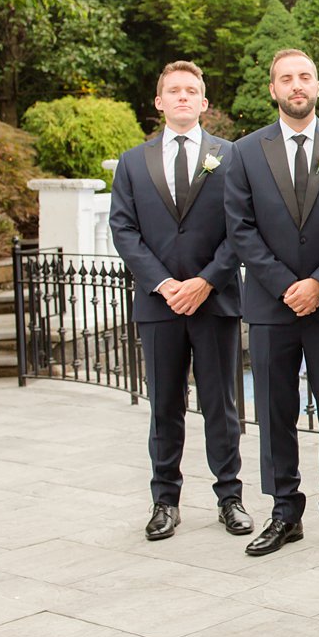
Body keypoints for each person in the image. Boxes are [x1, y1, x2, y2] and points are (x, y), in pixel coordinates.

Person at [223, 48, 319, 557]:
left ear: (318, 85)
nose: (296, 85)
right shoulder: (243, 153)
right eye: (286, 78)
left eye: (305, 76)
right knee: (274, 411)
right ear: (273, 89)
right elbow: (240, 228)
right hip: (270, 304)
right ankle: (284, 510)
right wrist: (287, 285)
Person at [109, 60, 250, 541]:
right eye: (174, 90)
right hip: (159, 305)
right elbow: (123, 229)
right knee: (164, 405)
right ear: (159, 101)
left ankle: (230, 497)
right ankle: (164, 500)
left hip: (215, 301)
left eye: (192, 90)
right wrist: (164, 284)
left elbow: (241, 228)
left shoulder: (232, 158)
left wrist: (206, 281)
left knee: (221, 405)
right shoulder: (132, 162)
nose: (183, 97)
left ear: (204, 103)